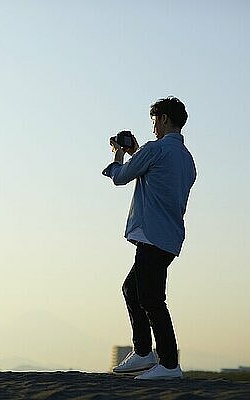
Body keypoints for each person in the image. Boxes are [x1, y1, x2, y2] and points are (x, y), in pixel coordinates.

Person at [102, 97, 196, 380]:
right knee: (133, 290)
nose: (153, 126)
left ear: (165, 119)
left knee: (151, 299)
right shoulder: (186, 159)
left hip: (151, 235)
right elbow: (154, 172)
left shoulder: (155, 150)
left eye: (155, 120)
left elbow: (120, 178)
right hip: (169, 237)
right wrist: (136, 153)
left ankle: (168, 364)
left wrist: (119, 154)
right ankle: (144, 352)